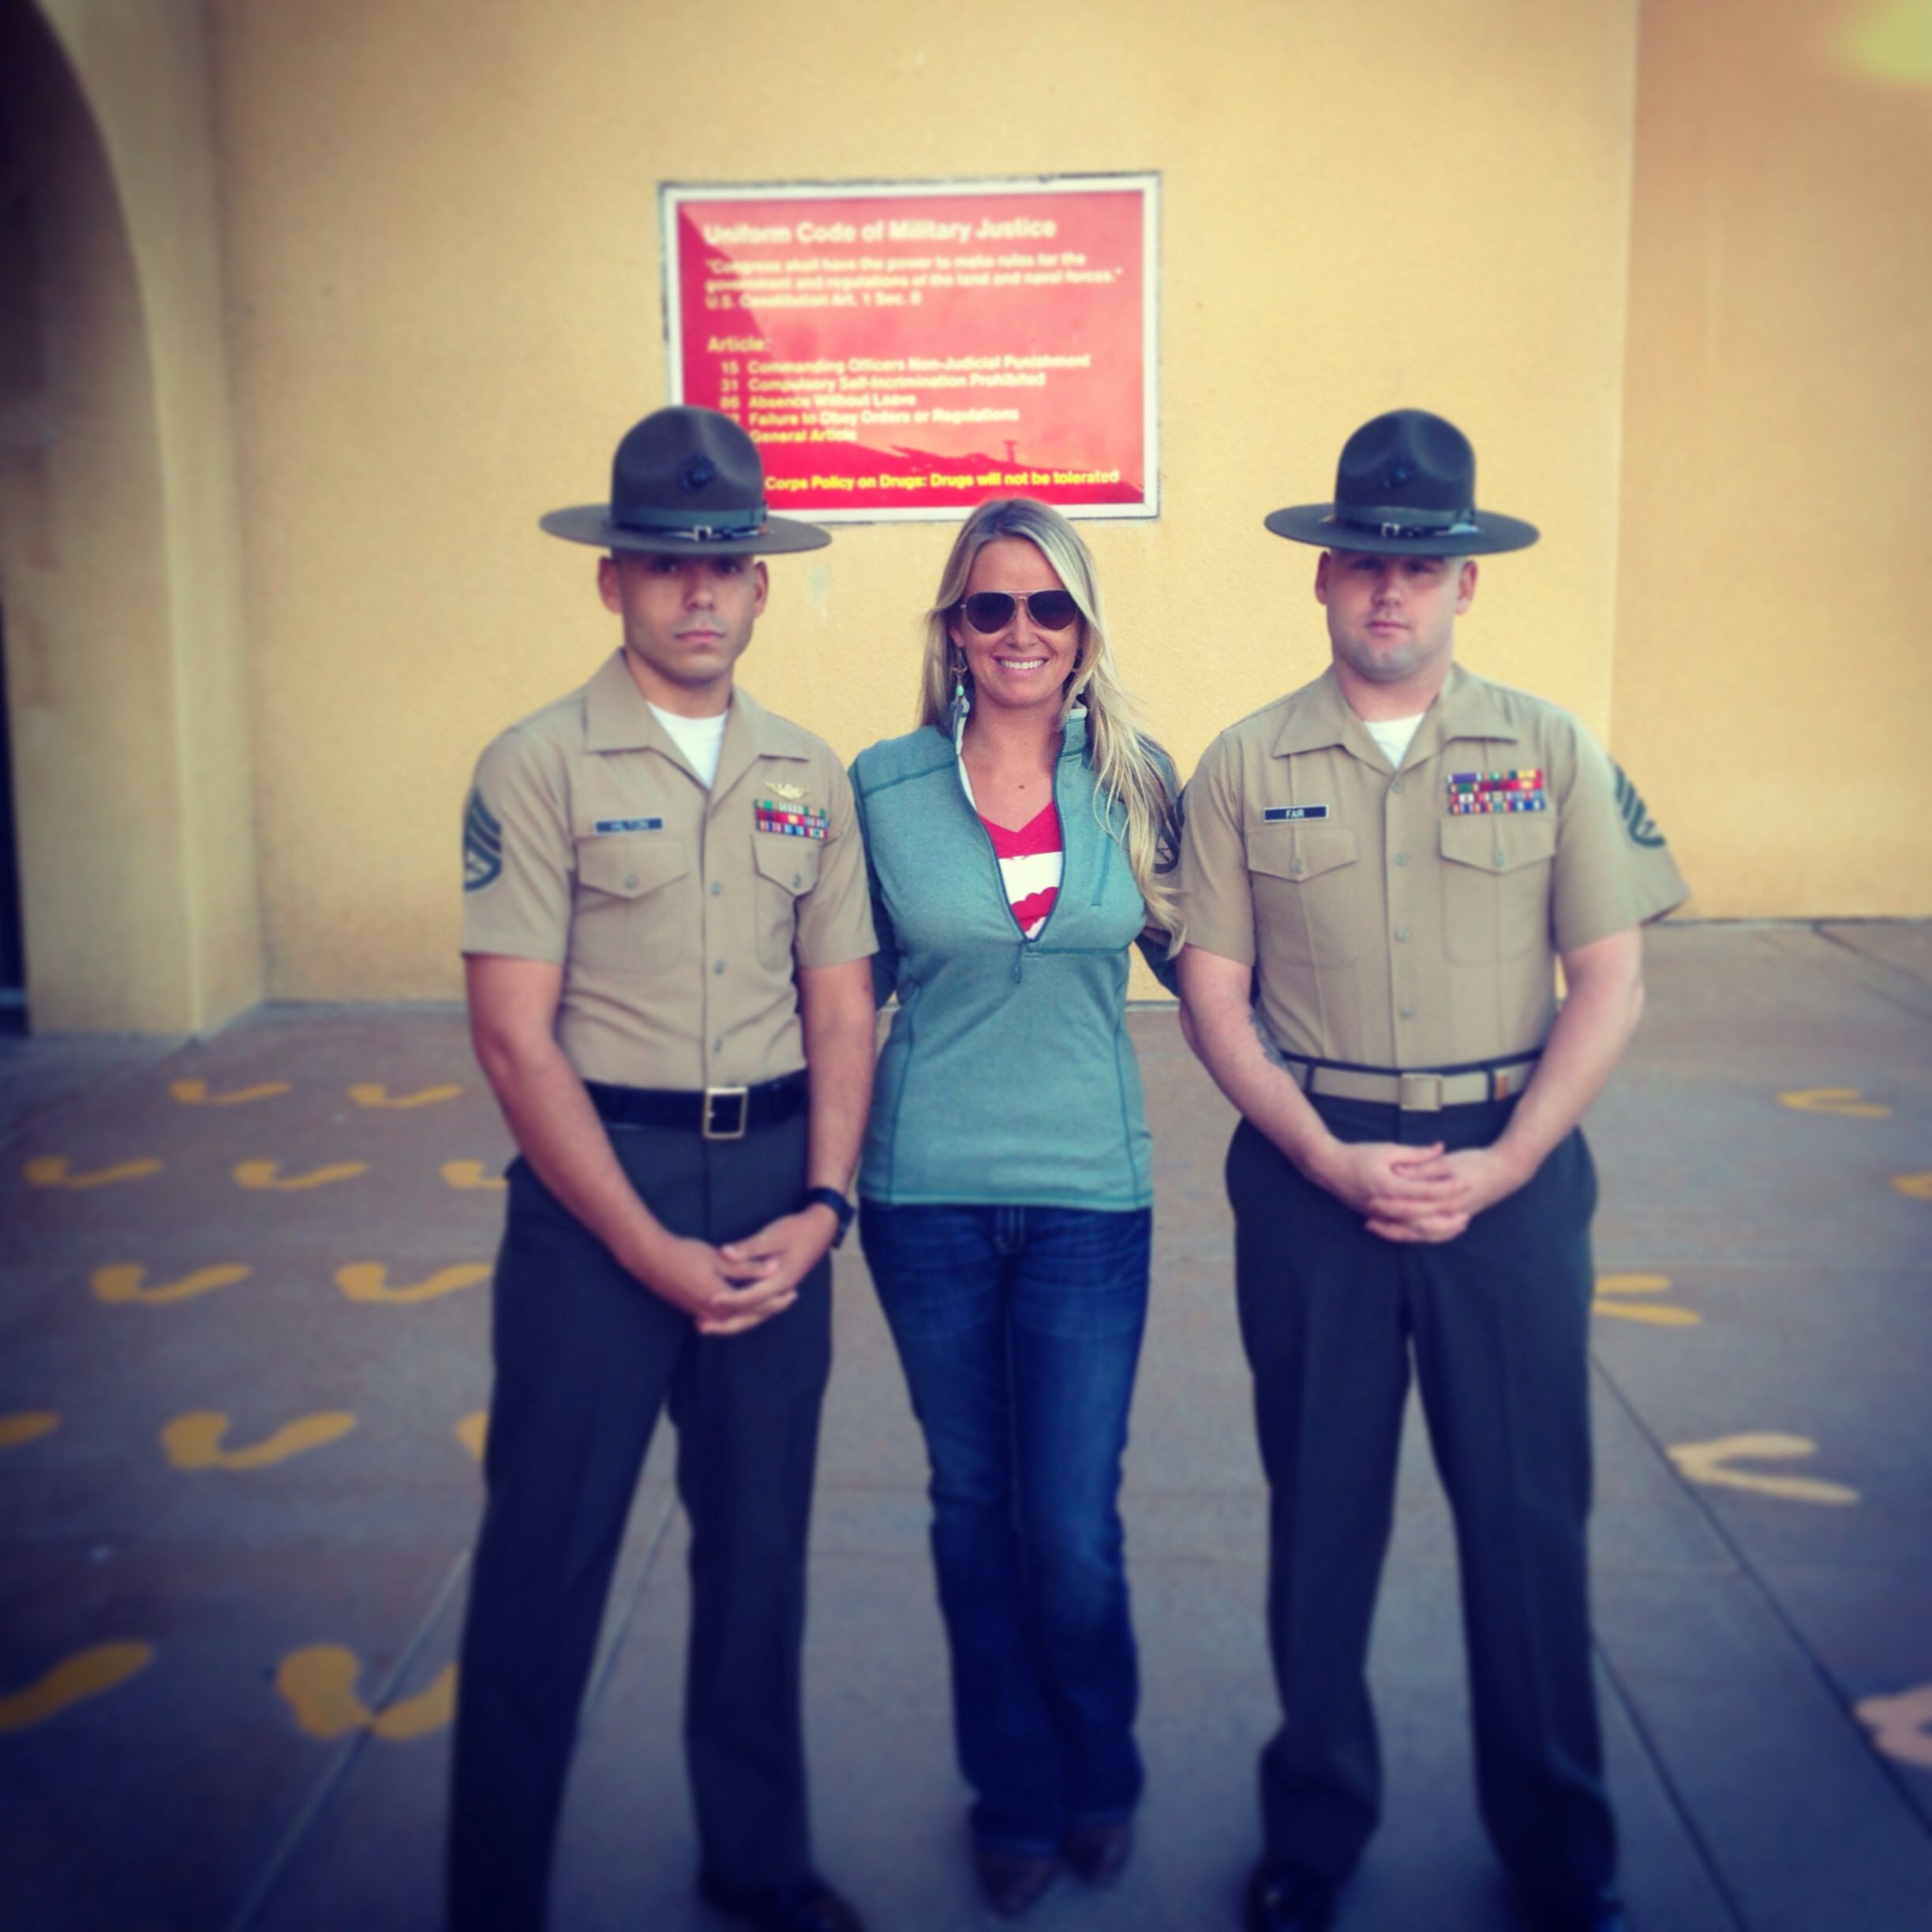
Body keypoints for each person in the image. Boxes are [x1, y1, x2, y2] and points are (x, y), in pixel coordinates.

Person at [1173, 410, 1688, 1932]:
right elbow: (1212, 992)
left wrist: (1510, 1160)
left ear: (1470, 583)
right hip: (1310, 1173)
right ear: (1321, 579)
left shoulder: (1551, 751)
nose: (1391, 591)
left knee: (1528, 1528)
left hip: (1507, 1179)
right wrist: (1329, 1160)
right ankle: (1314, 1834)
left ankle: (1558, 1849)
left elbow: (1612, 977)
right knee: (1320, 1522)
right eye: (1362, 563)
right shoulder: (1245, 764)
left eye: (1424, 564)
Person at [447, 406, 878, 1932]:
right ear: (612, 581)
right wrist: (638, 1245)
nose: (700, 589)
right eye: (665, 563)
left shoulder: (809, 776)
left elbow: (841, 1007)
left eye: (727, 561)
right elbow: (514, 1041)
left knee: (758, 1561)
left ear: (762, 585)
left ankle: (758, 1864)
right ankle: (491, 1898)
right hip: (592, 1208)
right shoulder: (535, 764)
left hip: (771, 1198)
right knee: (544, 1570)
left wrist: (825, 1208)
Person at [848, 499, 1180, 1918]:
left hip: (1089, 1205)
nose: (1023, 633)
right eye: (993, 608)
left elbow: (1215, 965)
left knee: (1073, 1523)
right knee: (972, 1508)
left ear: (1085, 631)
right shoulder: (880, 787)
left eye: (1050, 609)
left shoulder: (1140, 784)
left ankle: (1099, 1770)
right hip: (923, 1200)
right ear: (954, 631)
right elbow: (836, 996)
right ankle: (1016, 1791)